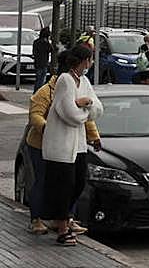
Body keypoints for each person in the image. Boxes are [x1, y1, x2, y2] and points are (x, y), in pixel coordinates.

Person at [25, 69, 100, 236]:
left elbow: (84, 118)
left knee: (69, 183)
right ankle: (37, 219)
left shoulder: (75, 89)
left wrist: (94, 137)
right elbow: (35, 115)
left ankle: (67, 219)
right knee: (43, 181)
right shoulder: (45, 92)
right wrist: (47, 128)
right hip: (40, 144)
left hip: (66, 145)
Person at [42, 45, 103, 247]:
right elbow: (70, 115)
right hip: (60, 147)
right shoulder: (65, 80)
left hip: (78, 145)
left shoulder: (84, 81)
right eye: (90, 60)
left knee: (78, 183)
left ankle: (65, 219)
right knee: (62, 187)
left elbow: (98, 109)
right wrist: (85, 107)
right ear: (84, 61)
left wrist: (84, 103)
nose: (91, 63)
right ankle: (61, 227)